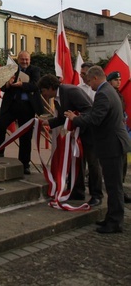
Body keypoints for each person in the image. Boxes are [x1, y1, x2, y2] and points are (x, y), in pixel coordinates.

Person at [66, 66, 131, 234]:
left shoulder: (103, 93)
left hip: (112, 145)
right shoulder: (109, 90)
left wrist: (76, 119)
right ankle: (111, 217)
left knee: (114, 186)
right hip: (113, 143)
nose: (89, 84)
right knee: (111, 185)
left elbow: (95, 119)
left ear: (95, 78)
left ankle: (115, 222)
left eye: (89, 81)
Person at [38, 74, 103, 207]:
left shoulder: (70, 91)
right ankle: (78, 191)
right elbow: (62, 118)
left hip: (89, 131)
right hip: (77, 133)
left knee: (92, 163)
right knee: (76, 162)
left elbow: (89, 109)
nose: (43, 94)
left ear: (50, 88)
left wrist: (76, 118)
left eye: (43, 90)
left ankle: (97, 195)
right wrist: (47, 123)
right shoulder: (56, 99)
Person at [0, 51, 43, 174]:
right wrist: (8, 84)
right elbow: (2, 87)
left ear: (30, 60)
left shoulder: (35, 70)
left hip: (27, 107)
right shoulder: (12, 70)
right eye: (22, 59)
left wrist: (22, 85)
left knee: (26, 136)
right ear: (18, 60)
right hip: (11, 106)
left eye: (26, 59)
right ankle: (0, 152)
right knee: (0, 125)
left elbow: (35, 86)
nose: (24, 62)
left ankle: (24, 163)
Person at [106, 71, 131, 204]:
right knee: (117, 167)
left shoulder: (120, 95)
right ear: (110, 81)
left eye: (120, 79)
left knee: (123, 164)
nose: (119, 82)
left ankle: (120, 190)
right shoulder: (110, 95)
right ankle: (119, 193)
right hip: (115, 135)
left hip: (122, 132)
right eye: (116, 80)